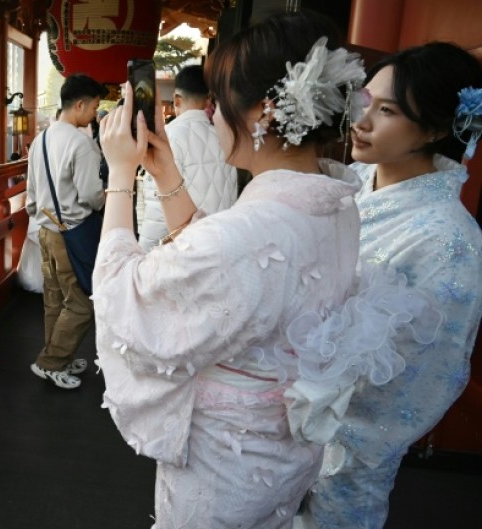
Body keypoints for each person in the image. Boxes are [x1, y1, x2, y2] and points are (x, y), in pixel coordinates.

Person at [92, 11, 439, 529]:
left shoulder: (248, 232)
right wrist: (164, 171)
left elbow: (126, 297)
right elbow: (233, 267)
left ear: (263, 111)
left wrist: (120, 173)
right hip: (282, 452)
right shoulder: (334, 204)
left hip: (221, 466)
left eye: (218, 103)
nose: (210, 116)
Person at [299, 42, 482, 529]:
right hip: (280, 418)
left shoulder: (449, 238)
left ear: (439, 128)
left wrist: (309, 399)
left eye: (388, 111)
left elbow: (422, 373)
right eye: (365, 101)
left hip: (345, 445)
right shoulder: (350, 183)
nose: (362, 120)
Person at [25, 73, 107, 389]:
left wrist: (45, 220)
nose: (95, 113)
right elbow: (90, 195)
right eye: (95, 106)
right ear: (81, 104)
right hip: (71, 231)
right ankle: (51, 361)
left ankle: (58, 354)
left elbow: (32, 195)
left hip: (46, 229)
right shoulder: (81, 143)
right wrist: (107, 198)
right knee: (83, 302)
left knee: (55, 301)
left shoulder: (41, 140)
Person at [138, 64, 238, 250]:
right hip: (222, 243)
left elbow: (157, 205)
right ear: (208, 100)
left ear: (176, 100)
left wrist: (144, 249)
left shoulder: (167, 138)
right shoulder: (224, 137)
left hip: (185, 249)